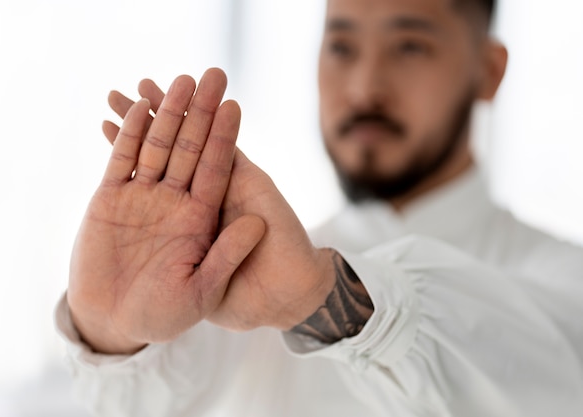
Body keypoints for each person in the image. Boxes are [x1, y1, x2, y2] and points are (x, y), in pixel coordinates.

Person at [56, 0, 583, 415]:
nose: (364, 88)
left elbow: (544, 380)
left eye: (410, 46)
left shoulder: (564, 282)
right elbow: (147, 401)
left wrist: (324, 299)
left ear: (488, 71)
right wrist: (113, 336)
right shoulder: (233, 267)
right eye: (341, 47)